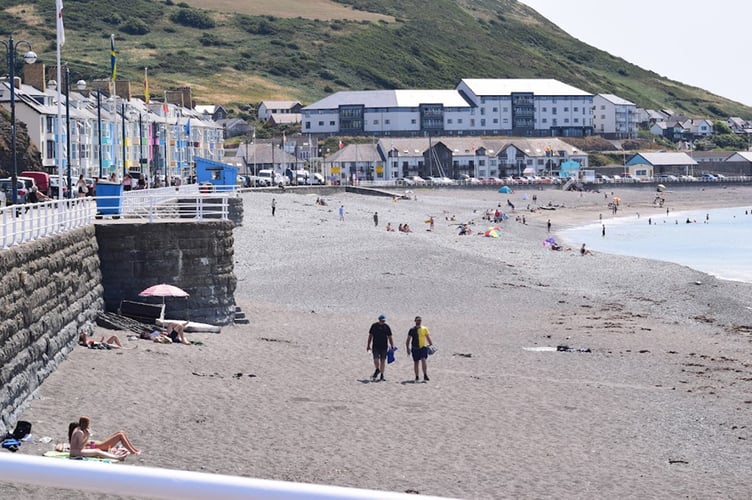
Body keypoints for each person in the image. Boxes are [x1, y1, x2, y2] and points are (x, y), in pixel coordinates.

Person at [69, 416, 139, 460]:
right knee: (97, 451)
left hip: (78, 450)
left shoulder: (79, 430)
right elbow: (81, 446)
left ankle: (134, 450)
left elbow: (80, 444)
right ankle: (125, 455)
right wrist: (87, 436)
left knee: (120, 432)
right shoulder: (80, 432)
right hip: (77, 452)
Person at [367, 314, 394, 381]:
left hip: (384, 346)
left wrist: (392, 346)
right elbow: (370, 336)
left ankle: (382, 375)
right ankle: (377, 369)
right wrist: (368, 345)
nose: (383, 322)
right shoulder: (374, 326)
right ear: (379, 320)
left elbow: (390, 337)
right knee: (376, 359)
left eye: (384, 321)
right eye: (381, 320)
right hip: (375, 346)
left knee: (383, 361)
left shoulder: (387, 327)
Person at [406, 316, 433, 382]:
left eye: (420, 320)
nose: (419, 321)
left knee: (423, 360)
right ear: (415, 321)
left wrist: (431, 344)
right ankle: (417, 376)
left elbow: (427, 337)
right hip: (415, 348)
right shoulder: (412, 330)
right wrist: (407, 348)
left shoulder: (424, 329)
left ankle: (425, 375)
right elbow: (408, 340)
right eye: (418, 320)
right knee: (416, 362)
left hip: (422, 347)